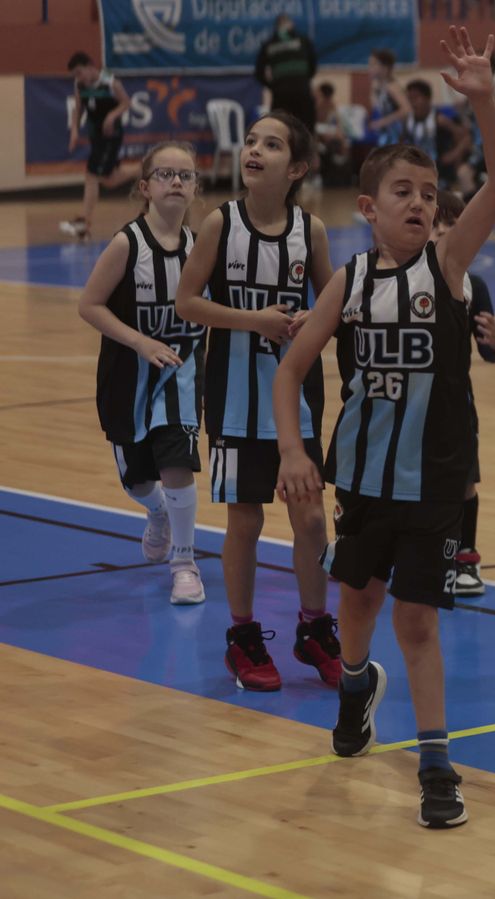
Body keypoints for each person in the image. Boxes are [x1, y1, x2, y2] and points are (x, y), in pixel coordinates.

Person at [273, 26, 495, 830]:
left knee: (415, 620)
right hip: (365, 478)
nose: (422, 202)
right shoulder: (349, 279)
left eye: (430, 192)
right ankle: (353, 683)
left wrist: (481, 101)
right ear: (369, 208)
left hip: (435, 482)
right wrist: (295, 449)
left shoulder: (447, 268)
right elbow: (289, 369)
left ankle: (437, 765)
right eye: (404, 192)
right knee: (356, 601)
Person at [173, 112, 341, 692]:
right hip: (234, 397)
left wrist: (309, 322)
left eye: (271, 145)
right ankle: (243, 636)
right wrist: (256, 320)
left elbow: (333, 307)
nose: (254, 150)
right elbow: (187, 302)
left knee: (312, 516)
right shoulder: (220, 223)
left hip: (296, 399)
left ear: (295, 168)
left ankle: (314, 628)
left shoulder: (311, 231)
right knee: (244, 520)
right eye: (250, 141)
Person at [77, 142, 206, 605]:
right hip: (127, 374)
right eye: (165, 174)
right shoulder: (126, 244)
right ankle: (157, 514)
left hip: (181, 372)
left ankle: (185, 562)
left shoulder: (201, 246)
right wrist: (139, 341)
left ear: (195, 188)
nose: (176, 181)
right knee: (137, 480)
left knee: (177, 461)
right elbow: (88, 305)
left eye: (185, 175)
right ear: (144, 186)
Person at [431, 189, 495, 597]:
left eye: (454, 225)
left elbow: (490, 352)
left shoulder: (473, 287)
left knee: (464, 482)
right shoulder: (401, 279)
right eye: (436, 225)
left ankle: (465, 558)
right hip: (406, 401)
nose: (445, 231)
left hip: (457, 403)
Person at [59, 51, 136, 241]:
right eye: (75, 75)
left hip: (111, 136)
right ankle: (144, 169)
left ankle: (84, 223)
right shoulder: (79, 85)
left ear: (90, 67)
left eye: (79, 72)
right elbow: (78, 109)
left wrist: (111, 116)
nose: (78, 77)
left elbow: (126, 102)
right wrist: (75, 131)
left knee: (92, 174)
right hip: (96, 136)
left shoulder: (110, 82)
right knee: (109, 179)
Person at [254, 15, 318, 137]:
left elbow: (258, 72)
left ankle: (282, 155)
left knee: (279, 131)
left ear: (276, 26)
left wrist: (273, 86)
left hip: (280, 95)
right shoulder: (303, 40)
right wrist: (303, 80)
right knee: (306, 132)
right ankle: (307, 155)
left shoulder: (269, 44)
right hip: (302, 93)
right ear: (291, 24)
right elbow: (313, 65)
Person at [366, 49, 409, 148]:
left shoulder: (392, 87)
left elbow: (407, 110)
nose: (369, 68)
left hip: (398, 134)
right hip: (387, 133)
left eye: (373, 65)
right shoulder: (378, 86)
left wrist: (382, 122)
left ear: (385, 68)